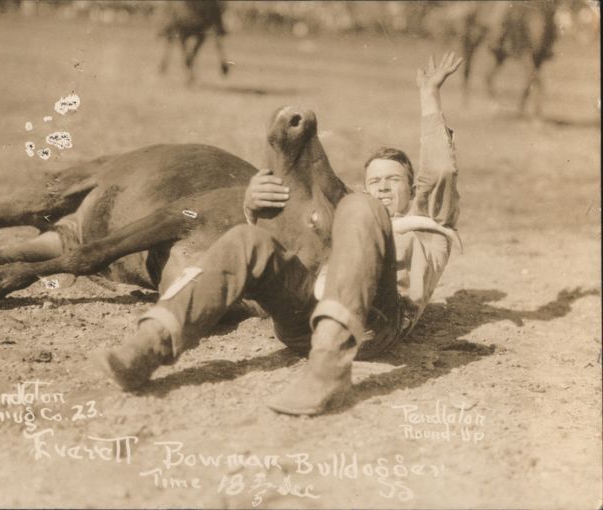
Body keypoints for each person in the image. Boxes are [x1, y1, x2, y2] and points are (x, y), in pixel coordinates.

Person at [95, 52, 463, 416]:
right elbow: (291, 237)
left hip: (372, 325)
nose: (382, 186)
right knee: (246, 240)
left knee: (361, 209)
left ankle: (328, 370)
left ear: (412, 187)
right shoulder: (347, 211)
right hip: (302, 322)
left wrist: (429, 95)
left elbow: (440, 172)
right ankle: (149, 345)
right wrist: (252, 203)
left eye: (393, 179)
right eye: (375, 180)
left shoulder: (428, 224)